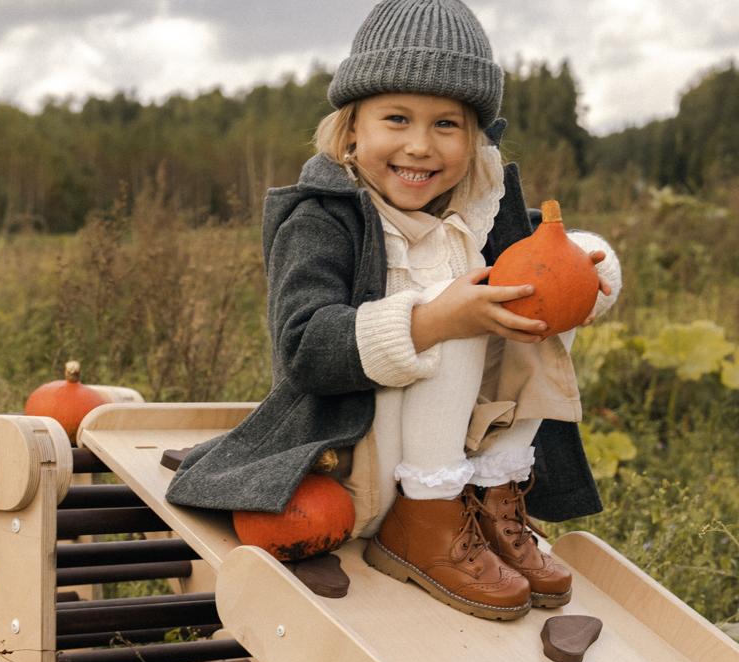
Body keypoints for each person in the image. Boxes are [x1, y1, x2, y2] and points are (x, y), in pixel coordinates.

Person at [165, 0, 622, 621]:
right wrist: (432, 320)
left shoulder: (479, 207)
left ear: (476, 137)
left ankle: (493, 499)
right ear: (353, 127)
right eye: (397, 118)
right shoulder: (323, 217)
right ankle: (424, 523)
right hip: (356, 457)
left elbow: (546, 254)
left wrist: (589, 265)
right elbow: (304, 348)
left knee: (535, 289)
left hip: (462, 459)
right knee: (454, 302)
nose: (419, 146)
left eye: (447, 125)